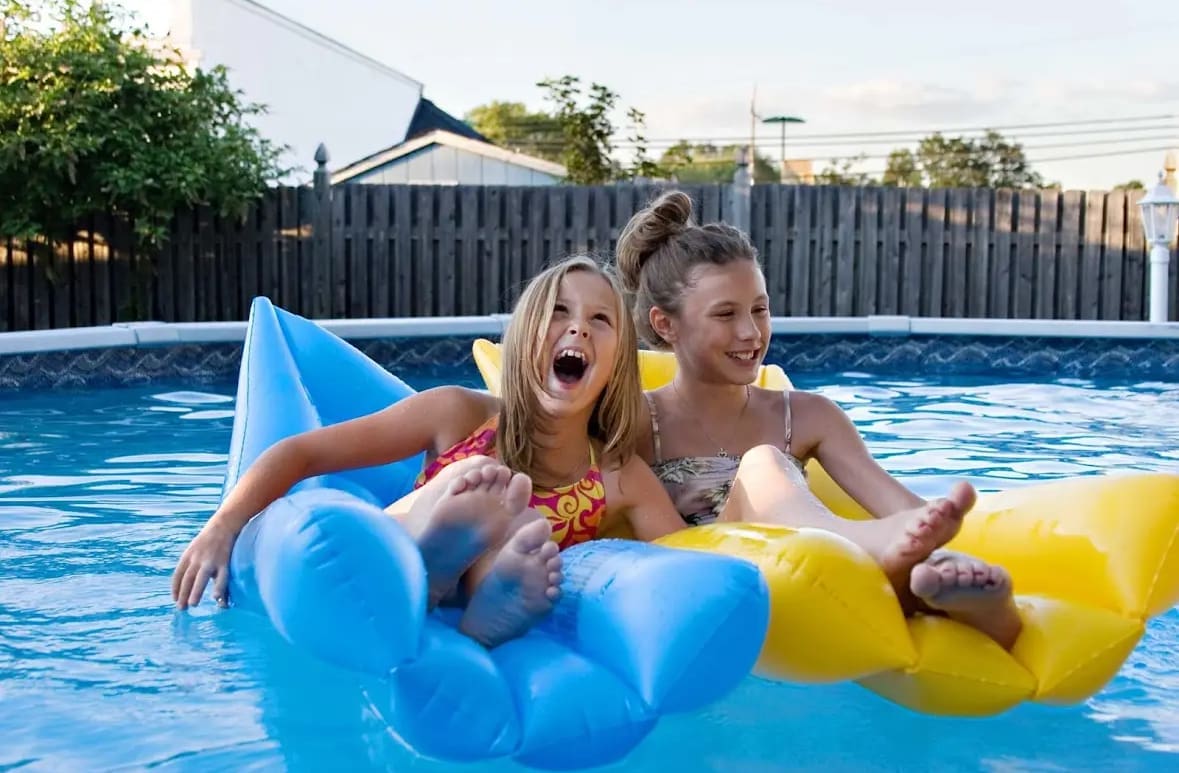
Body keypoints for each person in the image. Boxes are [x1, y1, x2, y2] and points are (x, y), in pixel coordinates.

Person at [171, 256, 687, 648]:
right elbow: (301, 453)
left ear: (619, 359)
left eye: (601, 320)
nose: (577, 328)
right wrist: (223, 525)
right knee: (481, 483)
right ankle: (431, 554)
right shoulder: (457, 414)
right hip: (391, 549)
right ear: (525, 335)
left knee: (518, 533)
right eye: (558, 311)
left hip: (483, 592)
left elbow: (693, 560)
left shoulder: (620, 475)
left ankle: (482, 594)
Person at [615, 191, 1023, 650]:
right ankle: (877, 552)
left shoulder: (807, 415)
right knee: (764, 462)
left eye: (760, 308)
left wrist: (938, 545)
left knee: (904, 566)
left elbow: (902, 508)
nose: (750, 332)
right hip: (714, 594)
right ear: (666, 325)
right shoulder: (633, 422)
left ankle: (968, 602)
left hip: (815, 579)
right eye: (726, 314)